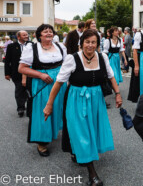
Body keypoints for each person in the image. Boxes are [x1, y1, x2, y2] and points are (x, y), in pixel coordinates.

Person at [43, 29, 122, 186]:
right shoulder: (72, 59)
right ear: (81, 43)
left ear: (97, 44)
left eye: (93, 42)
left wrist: (118, 94)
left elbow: (111, 75)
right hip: (77, 99)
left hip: (96, 100)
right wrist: (49, 104)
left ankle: (79, 152)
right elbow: (58, 83)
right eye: (87, 42)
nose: (90, 45)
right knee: (83, 133)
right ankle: (92, 175)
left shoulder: (103, 57)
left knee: (92, 130)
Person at [18, 24, 67, 157]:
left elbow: (66, 64)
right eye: (45, 32)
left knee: (58, 108)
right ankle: (41, 142)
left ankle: (53, 132)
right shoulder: (32, 48)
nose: (49, 33)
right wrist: (40, 75)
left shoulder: (60, 47)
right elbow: (22, 68)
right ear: (39, 35)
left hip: (60, 83)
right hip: (42, 84)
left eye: (50, 31)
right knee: (43, 111)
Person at [4, 31, 30, 117]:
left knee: (28, 90)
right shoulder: (11, 46)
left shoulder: (32, 44)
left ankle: (29, 107)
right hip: (16, 73)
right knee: (19, 90)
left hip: (30, 72)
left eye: (27, 34)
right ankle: (20, 108)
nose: (26, 36)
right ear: (18, 37)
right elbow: (7, 60)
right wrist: (7, 73)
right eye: (24, 35)